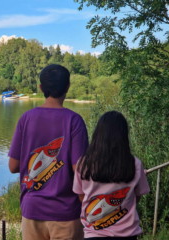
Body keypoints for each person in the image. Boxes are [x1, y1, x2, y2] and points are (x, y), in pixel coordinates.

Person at [8, 64, 89, 240]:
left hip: (32, 210)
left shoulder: (26, 118)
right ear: (68, 86)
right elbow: (79, 170)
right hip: (65, 213)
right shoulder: (74, 121)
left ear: (41, 88)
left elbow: (13, 166)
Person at [73, 111, 150, 240]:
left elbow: (81, 195)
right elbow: (137, 197)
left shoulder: (83, 163)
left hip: (93, 233)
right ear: (124, 136)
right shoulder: (135, 164)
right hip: (127, 234)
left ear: (98, 134)